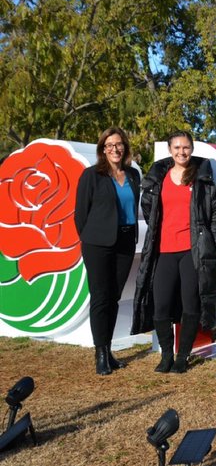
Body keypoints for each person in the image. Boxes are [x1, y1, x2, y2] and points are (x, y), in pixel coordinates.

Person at [131, 130, 216, 374]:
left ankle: (183, 356)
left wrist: (211, 241)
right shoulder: (159, 178)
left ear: (192, 149)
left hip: (192, 251)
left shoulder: (202, 179)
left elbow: (215, 211)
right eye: (177, 148)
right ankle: (166, 355)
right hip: (164, 251)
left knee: (190, 304)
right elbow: (150, 209)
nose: (182, 152)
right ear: (170, 150)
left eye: (186, 148)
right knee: (160, 305)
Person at [74, 127, 141, 375]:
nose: (115, 149)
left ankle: (109, 349)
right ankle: (100, 353)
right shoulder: (92, 175)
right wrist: (91, 238)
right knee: (101, 297)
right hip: (98, 244)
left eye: (119, 144)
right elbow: (80, 214)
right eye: (109, 145)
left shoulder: (133, 175)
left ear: (125, 146)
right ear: (103, 149)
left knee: (113, 296)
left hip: (125, 241)